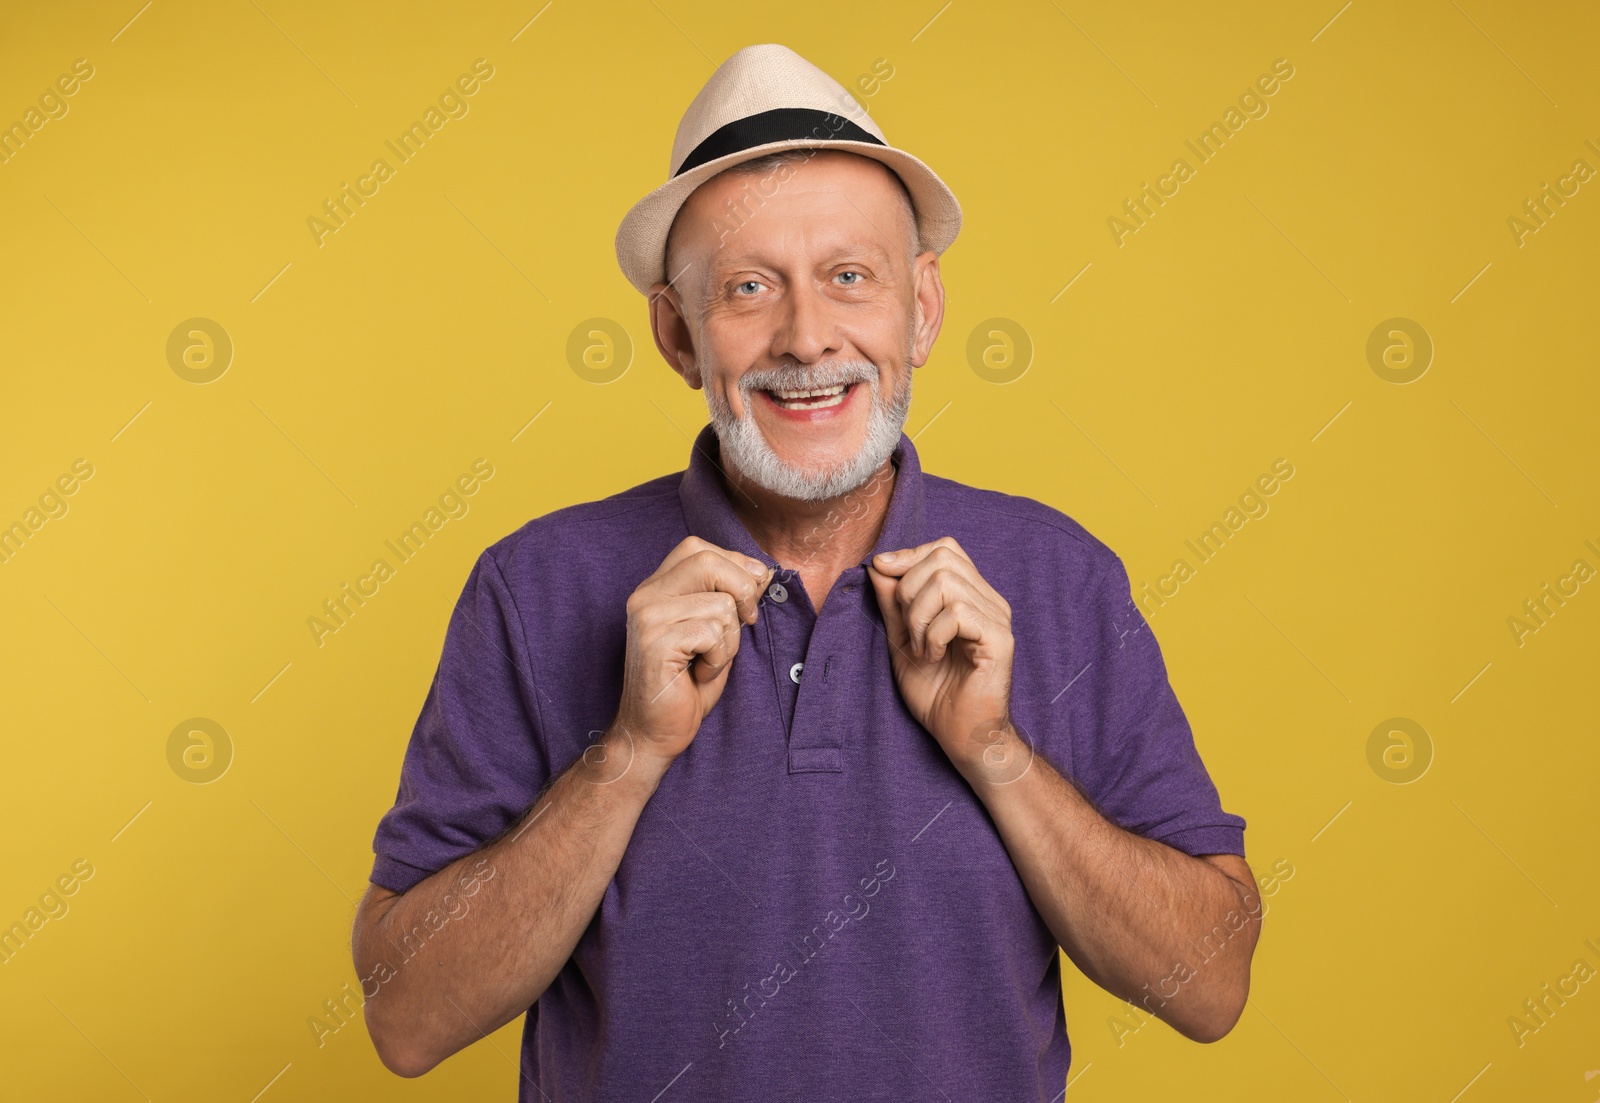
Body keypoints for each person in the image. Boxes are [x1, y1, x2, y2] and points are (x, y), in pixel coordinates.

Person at [352, 42, 1260, 1101]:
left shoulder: (1060, 576)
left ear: (919, 309)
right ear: (676, 333)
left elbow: (1211, 984)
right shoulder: (533, 586)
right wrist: (630, 754)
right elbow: (407, 1016)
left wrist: (997, 751)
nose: (805, 336)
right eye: (746, 288)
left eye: (847, 277)